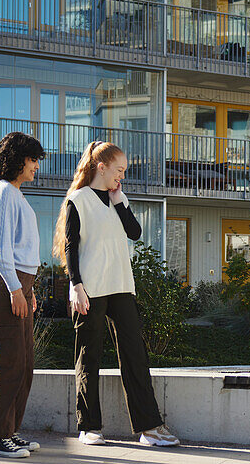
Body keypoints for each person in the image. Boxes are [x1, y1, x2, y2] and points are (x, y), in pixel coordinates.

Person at [52, 141, 179, 447]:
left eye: (124, 171)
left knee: (136, 356)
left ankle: (149, 428)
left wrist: (121, 201)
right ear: (101, 166)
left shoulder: (116, 199)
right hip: (90, 289)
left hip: (121, 285)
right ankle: (89, 426)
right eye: (119, 170)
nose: (122, 176)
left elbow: (134, 232)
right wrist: (76, 285)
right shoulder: (78, 199)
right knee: (88, 356)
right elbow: (71, 246)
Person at [0, 132, 46, 459]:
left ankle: (10, 432)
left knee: (24, 365)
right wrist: (16, 288)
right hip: (4, 283)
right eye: (32, 159)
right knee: (8, 364)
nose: (36, 166)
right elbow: (2, 250)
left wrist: (27, 290)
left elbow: (20, 251)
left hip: (19, 284)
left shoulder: (16, 194)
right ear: (16, 159)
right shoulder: (4, 191)